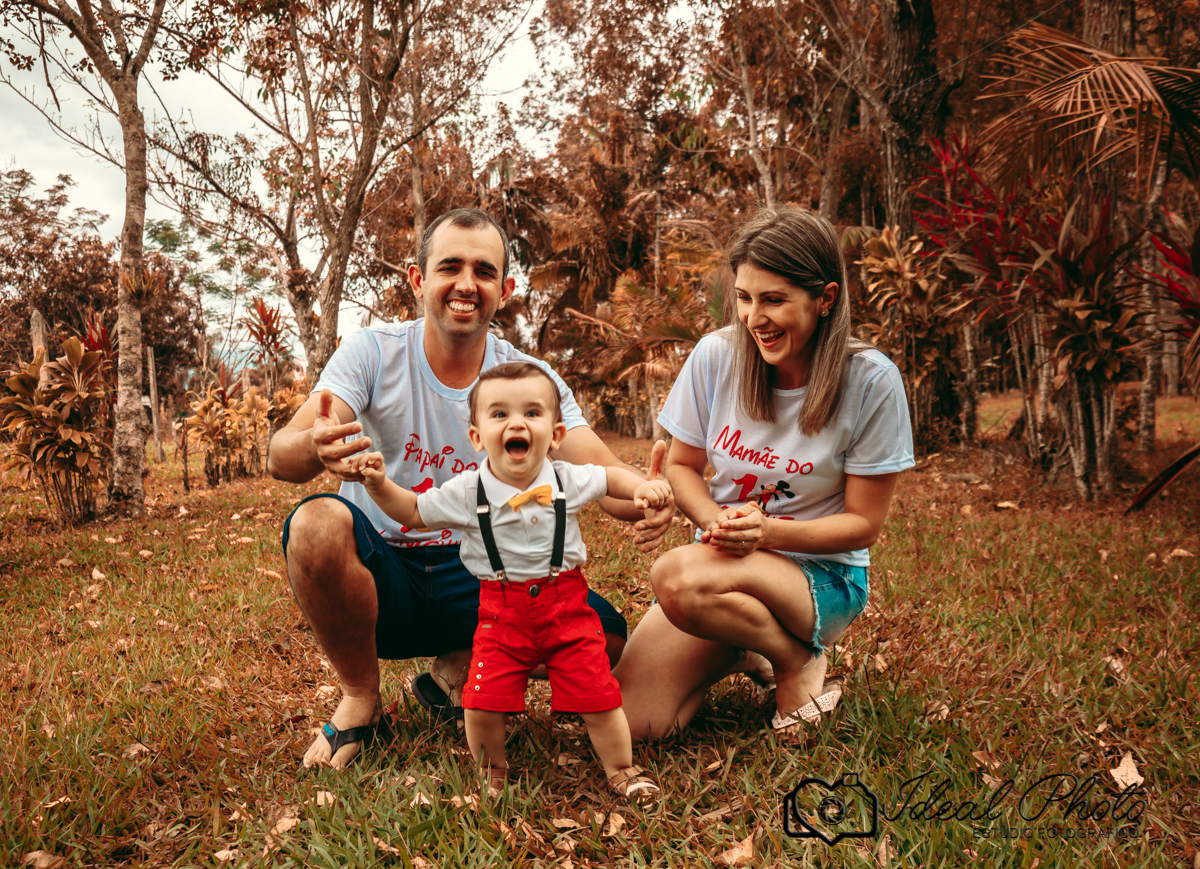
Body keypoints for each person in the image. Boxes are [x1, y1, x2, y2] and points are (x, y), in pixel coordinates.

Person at [268, 208, 673, 769]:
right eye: (450, 267)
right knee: (315, 524)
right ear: (418, 280)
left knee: (606, 638)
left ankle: (458, 667)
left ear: (504, 291)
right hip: (385, 576)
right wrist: (316, 444)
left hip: (483, 582)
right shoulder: (372, 352)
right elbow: (281, 456)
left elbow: (603, 476)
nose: (466, 284)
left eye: (484, 271)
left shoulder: (528, 380)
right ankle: (361, 697)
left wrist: (650, 494)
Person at [613, 206, 914, 737]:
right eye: (745, 298)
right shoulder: (716, 356)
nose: (754, 318)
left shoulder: (871, 381)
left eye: (774, 300)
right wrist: (715, 521)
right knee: (636, 725)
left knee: (675, 576)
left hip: (821, 578)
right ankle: (749, 647)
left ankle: (795, 657)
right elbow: (682, 466)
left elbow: (864, 525)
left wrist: (765, 533)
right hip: (721, 572)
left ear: (826, 298)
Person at [347, 362, 669, 800]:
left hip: (568, 609)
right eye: (500, 414)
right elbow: (414, 511)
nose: (517, 423)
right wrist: (379, 483)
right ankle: (492, 774)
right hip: (501, 615)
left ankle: (621, 769)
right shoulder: (467, 490)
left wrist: (639, 488)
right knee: (481, 700)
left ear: (555, 434)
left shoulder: (566, 479)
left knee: (599, 695)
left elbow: (609, 476)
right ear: (477, 436)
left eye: (532, 413)